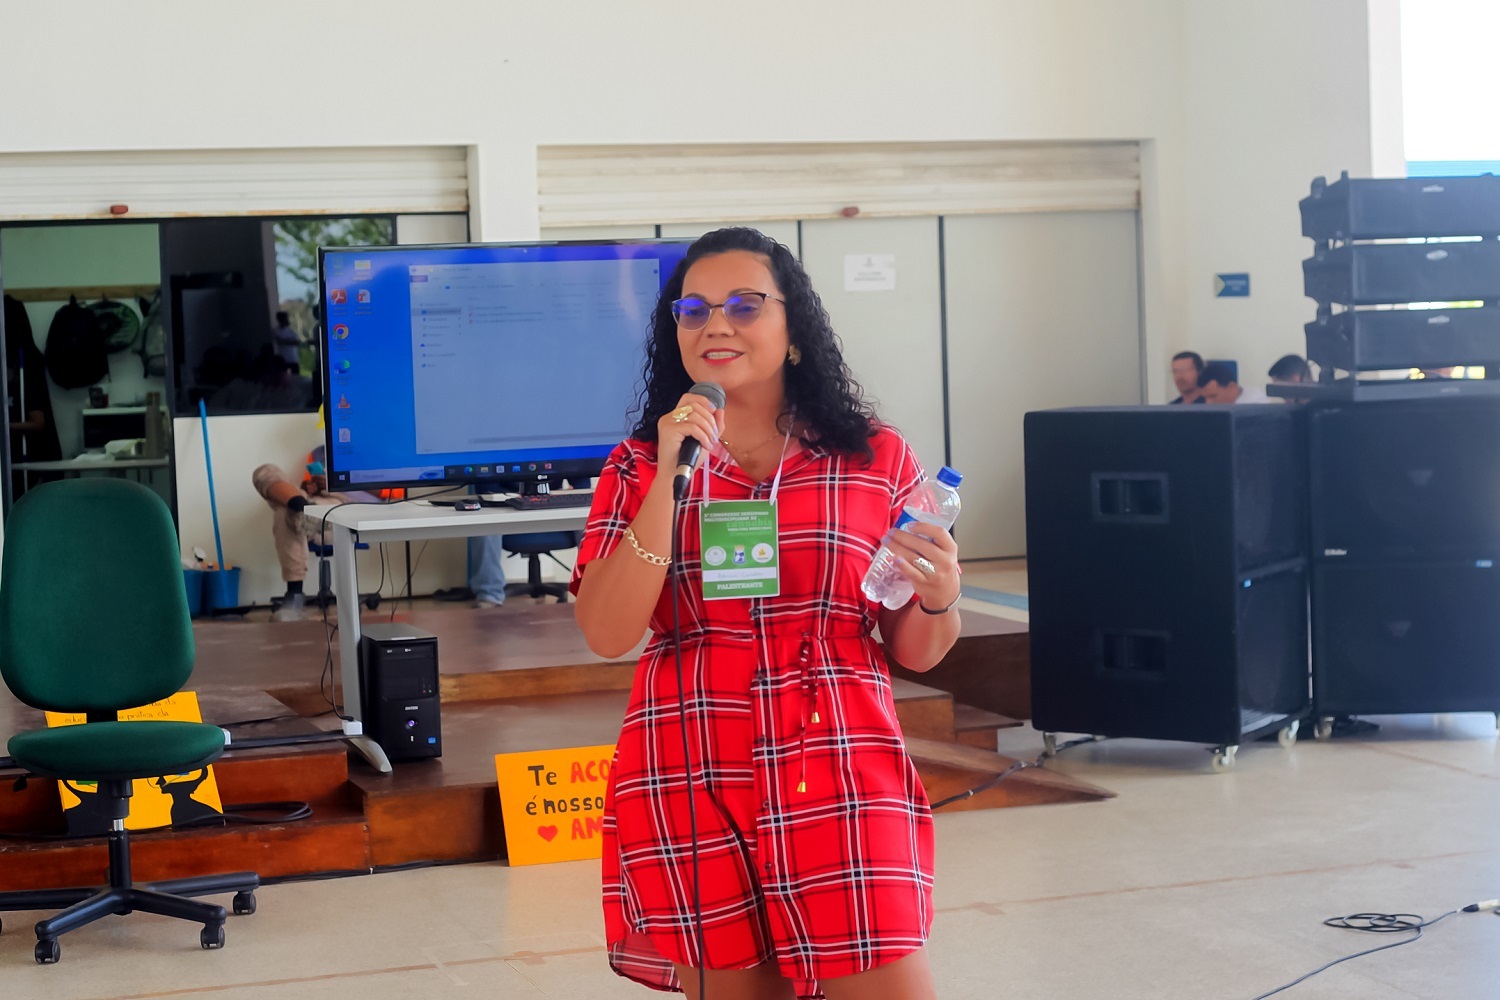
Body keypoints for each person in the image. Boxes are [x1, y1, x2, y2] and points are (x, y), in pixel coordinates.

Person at [572, 227, 960, 999]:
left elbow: (916, 650)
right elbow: (608, 633)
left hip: (841, 764)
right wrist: (667, 483)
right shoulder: (639, 465)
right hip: (688, 770)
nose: (716, 323)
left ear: (793, 334)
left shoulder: (875, 459)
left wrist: (938, 594)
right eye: (693, 310)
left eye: (745, 304)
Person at [1198, 362, 1270, 405]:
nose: (1208, 403)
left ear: (1231, 386)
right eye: (1205, 398)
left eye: (1213, 396)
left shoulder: (1256, 402)